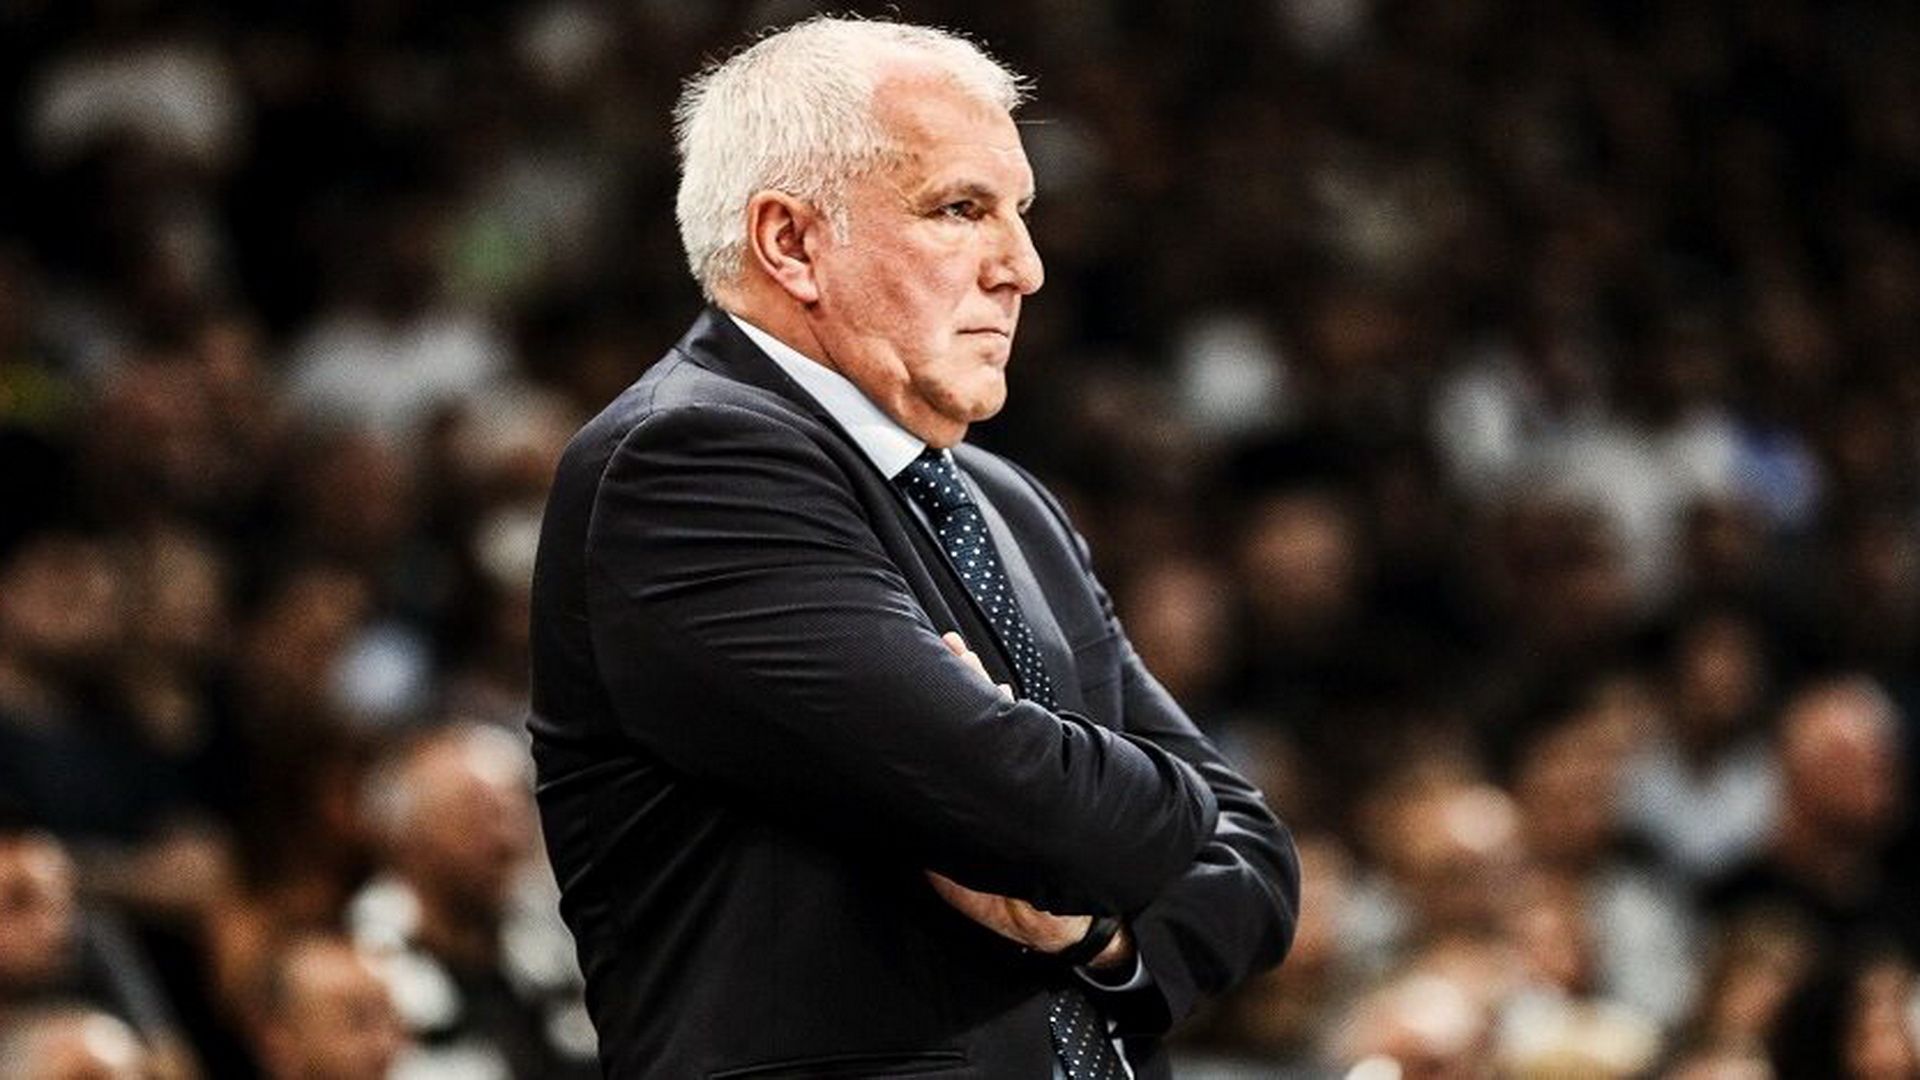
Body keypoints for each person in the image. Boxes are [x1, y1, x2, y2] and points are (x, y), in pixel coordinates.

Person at [527, 15, 1298, 1078]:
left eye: (1021, 212)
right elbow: (1045, 814)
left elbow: (1253, 860)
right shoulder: (689, 462)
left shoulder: (1005, 500)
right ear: (791, 243)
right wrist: (1053, 781)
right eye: (960, 210)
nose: (1023, 267)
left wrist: (1091, 931)